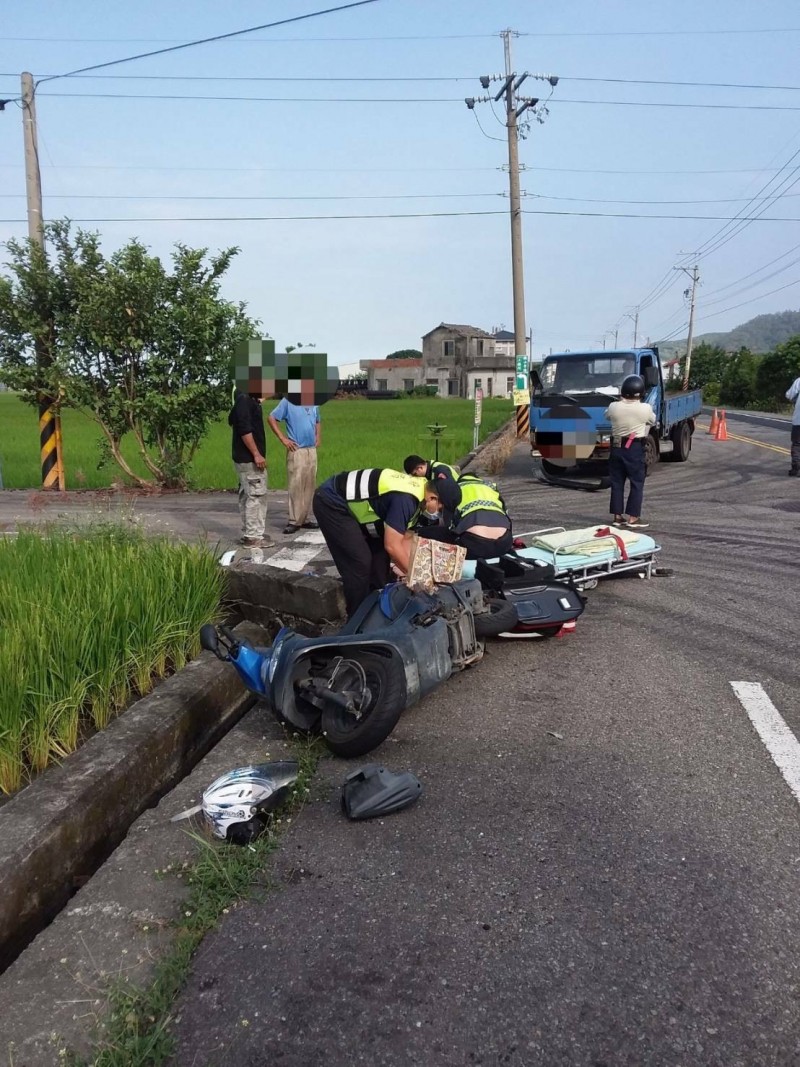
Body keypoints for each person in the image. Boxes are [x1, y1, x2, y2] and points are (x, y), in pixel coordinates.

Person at [312, 468, 427, 616]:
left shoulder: (419, 490)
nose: (439, 512)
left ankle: (375, 611)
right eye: (440, 507)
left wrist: (411, 569)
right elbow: (393, 545)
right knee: (359, 564)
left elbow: (401, 540)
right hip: (331, 501)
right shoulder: (407, 500)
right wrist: (417, 578)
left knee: (379, 559)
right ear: (432, 498)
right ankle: (356, 622)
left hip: (349, 505)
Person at [416, 472, 513, 560]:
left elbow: (447, 526)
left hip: (475, 546)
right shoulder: (490, 486)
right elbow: (506, 515)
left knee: (429, 532)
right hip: (504, 543)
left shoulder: (455, 490)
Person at [604, 374, 656, 529]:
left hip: (617, 446)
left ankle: (617, 516)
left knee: (617, 482)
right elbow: (652, 420)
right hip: (634, 447)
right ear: (641, 392)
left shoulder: (614, 406)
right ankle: (633, 518)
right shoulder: (645, 408)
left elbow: (606, 416)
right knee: (636, 483)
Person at [229, 386, 275, 548]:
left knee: (247, 495)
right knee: (256, 496)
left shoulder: (246, 398)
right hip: (249, 459)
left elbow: (262, 396)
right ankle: (253, 536)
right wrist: (256, 454)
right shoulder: (245, 400)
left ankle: (250, 532)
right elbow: (244, 429)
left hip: (243, 459)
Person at [267, 397, 321, 533]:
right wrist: (283, 439)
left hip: (311, 449)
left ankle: (305, 518)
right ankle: (294, 520)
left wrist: (318, 436)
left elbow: (317, 420)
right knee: (296, 485)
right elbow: (271, 418)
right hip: (297, 450)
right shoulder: (288, 401)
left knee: (309, 485)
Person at [786, 374, 800, 476]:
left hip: (799, 420)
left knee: (797, 444)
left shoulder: (799, 381)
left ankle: (796, 468)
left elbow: (789, 395)